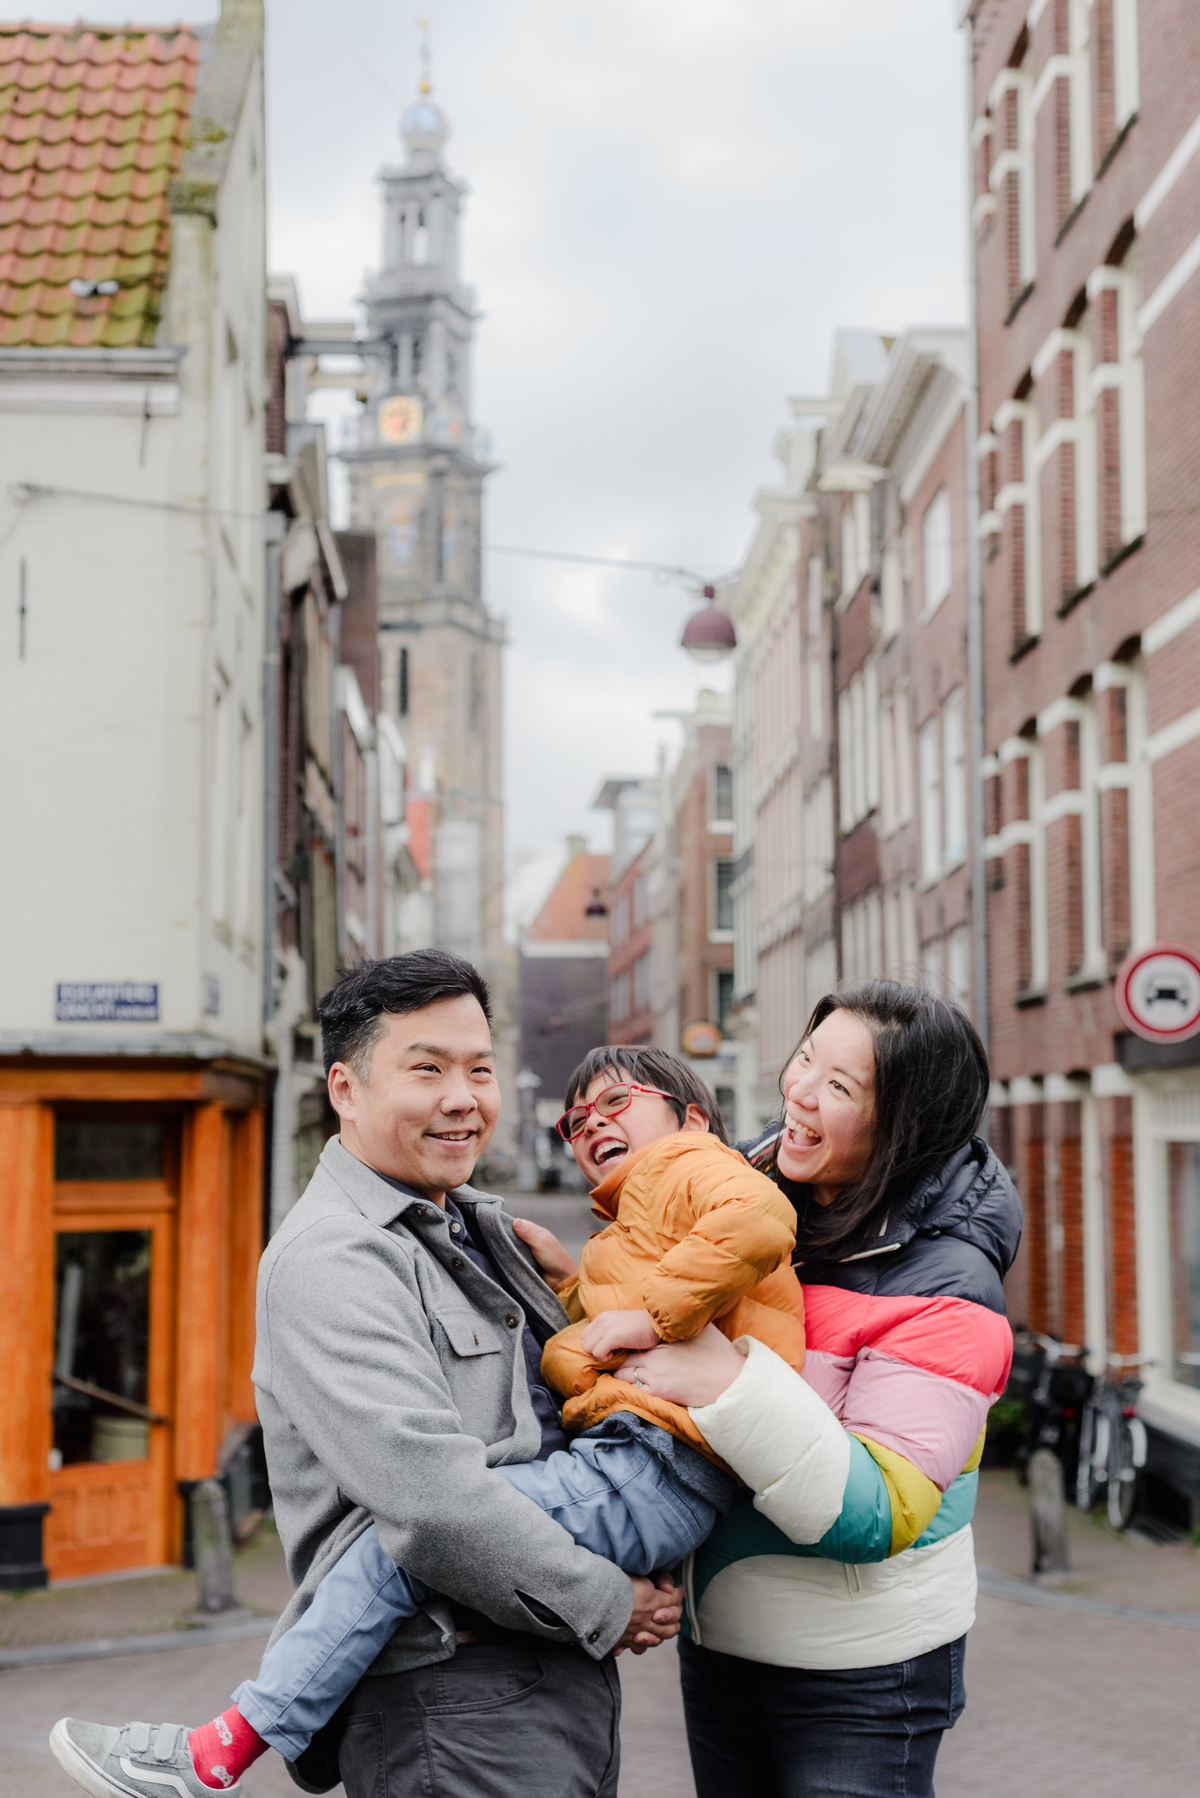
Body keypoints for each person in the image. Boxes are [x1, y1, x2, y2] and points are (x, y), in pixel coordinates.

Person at [51, 1034, 804, 1798]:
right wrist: (578, 1288)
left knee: (398, 1549)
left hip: (647, 1467)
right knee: (410, 1542)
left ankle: (229, 1745)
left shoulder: (688, 1167)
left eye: (616, 1104)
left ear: (696, 1120)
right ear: (346, 1090)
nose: (591, 1127)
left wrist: (641, 1317)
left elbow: (757, 1224)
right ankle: (230, 1743)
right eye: (574, 1123)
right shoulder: (349, 1251)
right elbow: (444, 1504)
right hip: (584, 1542)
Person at [619, 983, 1023, 1798]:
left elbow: (877, 1509)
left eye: (839, 1086)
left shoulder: (949, 1289)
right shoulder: (750, 1202)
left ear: (903, 1124)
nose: (799, 1091)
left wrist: (729, 1383)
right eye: (806, 1059)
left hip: (861, 1680)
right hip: (723, 1648)